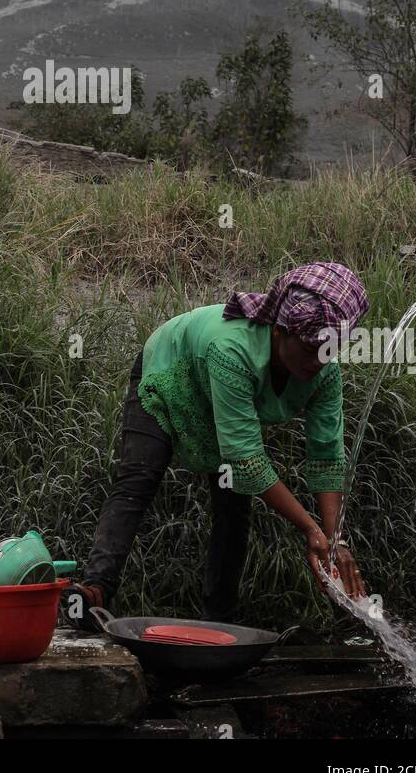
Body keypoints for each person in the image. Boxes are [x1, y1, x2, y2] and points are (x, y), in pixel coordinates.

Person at [66, 262, 370, 629]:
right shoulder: (232, 349)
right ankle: (96, 589)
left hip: (224, 394)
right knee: (138, 480)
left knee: (234, 506)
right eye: (309, 349)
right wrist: (310, 530)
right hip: (171, 369)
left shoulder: (324, 371)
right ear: (280, 331)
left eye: (327, 352)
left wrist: (335, 540)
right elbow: (247, 460)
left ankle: (220, 623)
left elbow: (326, 455)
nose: (317, 362)